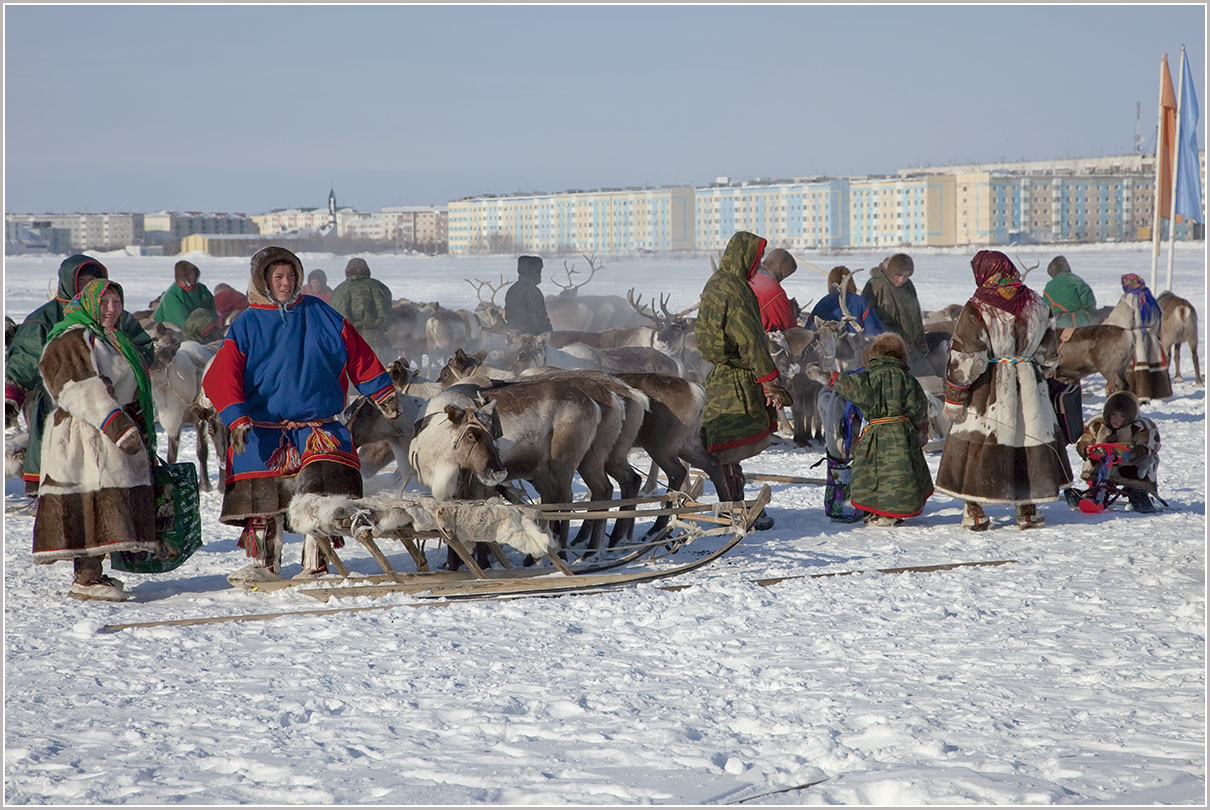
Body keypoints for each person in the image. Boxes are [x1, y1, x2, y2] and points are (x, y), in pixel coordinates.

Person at [203, 246, 401, 584]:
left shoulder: (321, 313)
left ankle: (317, 562)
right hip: (263, 428)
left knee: (320, 496)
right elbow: (221, 376)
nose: (286, 282)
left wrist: (382, 391)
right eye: (278, 277)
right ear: (264, 280)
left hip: (317, 426)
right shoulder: (247, 324)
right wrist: (236, 416)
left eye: (291, 276)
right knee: (265, 499)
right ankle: (267, 564)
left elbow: (359, 355)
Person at [32, 279, 159, 601]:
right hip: (86, 436)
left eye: (117, 302)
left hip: (110, 436)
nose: (112, 310)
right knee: (90, 501)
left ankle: (94, 573)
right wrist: (116, 424)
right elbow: (77, 386)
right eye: (104, 303)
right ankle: (85, 579)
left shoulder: (113, 339)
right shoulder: (72, 337)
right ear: (89, 304)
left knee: (106, 502)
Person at [935, 250, 1072, 530]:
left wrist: (955, 396)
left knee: (977, 445)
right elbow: (1049, 356)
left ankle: (974, 510)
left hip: (988, 390)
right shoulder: (1037, 302)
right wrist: (1034, 376)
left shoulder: (978, 307)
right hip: (1030, 384)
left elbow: (967, 360)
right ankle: (1028, 511)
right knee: (1027, 441)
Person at [5, 254, 153, 497]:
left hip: (120, 413)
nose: (89, 286)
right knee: (72, 483)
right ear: (68, 282)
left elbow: (143, 349)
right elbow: (27, 356)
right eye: (82, 280)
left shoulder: (118, 318)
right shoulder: (50, 320)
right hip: (65, 412)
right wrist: (12, 394)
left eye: (95, 281)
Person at [695, 231, 792, 531]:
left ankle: (731, 501)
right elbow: (750, 340)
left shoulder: (715, 283)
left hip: (718, 373)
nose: (758, 264)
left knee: (724, 445)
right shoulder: (736, 290)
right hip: (736, 378)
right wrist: (770, 379)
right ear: (745, 256)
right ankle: (734, 505)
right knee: (730, 447)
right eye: (756, 258)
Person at [810, 333, 932, 525]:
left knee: (874, 475)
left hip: (876, 434)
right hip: (903, 434)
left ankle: (878, 513)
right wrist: (921, 430)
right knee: (901, 474)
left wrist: (827, 376)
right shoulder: (909, 379)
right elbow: (919, 407)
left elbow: (849, 386)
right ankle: (895, 512)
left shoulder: (868, 377)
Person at [1072, 390, 1161, 513]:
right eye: (1113, 414)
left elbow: (1149, 442)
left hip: (1129, 463)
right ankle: (1095, 492)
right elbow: (1086, 436)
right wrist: (1085, 446)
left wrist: (1139, 451)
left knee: (1146, 462)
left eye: (1122, 416)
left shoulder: (1141, 427)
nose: (1116, 420)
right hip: (1104, 462)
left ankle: (1138, 493)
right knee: (1094, 462)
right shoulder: (1098, 424)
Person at [1102, 273, 1172, 401]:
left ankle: (1137, 394)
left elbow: (1120, 321)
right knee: (1149, 365)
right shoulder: (1149, 297)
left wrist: (1104, 326)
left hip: (1135, 339)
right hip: (1151, 338)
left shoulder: (1130, 298)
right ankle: (1151, 392)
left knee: (1135, 366)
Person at [861, 253, 929, 372]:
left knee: (928, 373)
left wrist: (921, 340)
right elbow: (866, 317)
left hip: (911, 347)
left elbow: (916, 316)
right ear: (891, 272)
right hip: (888, 349)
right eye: (898, 275)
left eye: (906, 275)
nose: (902, 279)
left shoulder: (908, 286)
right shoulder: (876, 285)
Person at [330, 257, 394, 358]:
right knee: (380, 371)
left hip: (346, 342)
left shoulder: (338, 290)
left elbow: (336, 319)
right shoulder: (379, 286)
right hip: (375, 340)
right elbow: (385, 315)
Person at [811, 266, 885, 335]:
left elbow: (810, 329)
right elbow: (874, 332)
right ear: (851, 281)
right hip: (856, 346)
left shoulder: (822, 303)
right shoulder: (861, 302)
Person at [152, 260, 216, 331]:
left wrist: (212, 322)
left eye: (193, 273)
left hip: (202, 325)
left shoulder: (202, 289)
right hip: (174, 329)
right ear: (181, 276)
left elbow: (212, 306)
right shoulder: (173, 295)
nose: (191, 276)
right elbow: (180, 320)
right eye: (187, 274)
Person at [748, 247, 799, 332]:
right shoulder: (775, 292)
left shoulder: (749, 276)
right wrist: (791, 311)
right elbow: (789, 329)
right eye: (785, 275)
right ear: (780, 270)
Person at [1041, 255, 1098, 328]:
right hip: (1083, 322)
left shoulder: (1048, 287)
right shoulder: (1076, 280)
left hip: (1060, 325)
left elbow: (1046, 310)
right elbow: (1089, 302)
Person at [503, 255, 553, 335]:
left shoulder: (512, 289)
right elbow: (539, 319)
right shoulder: (532, 291)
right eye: (538, 271)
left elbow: (508, 316)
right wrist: (549, 335)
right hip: (531, 340)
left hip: (514, 337)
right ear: (534, 272)